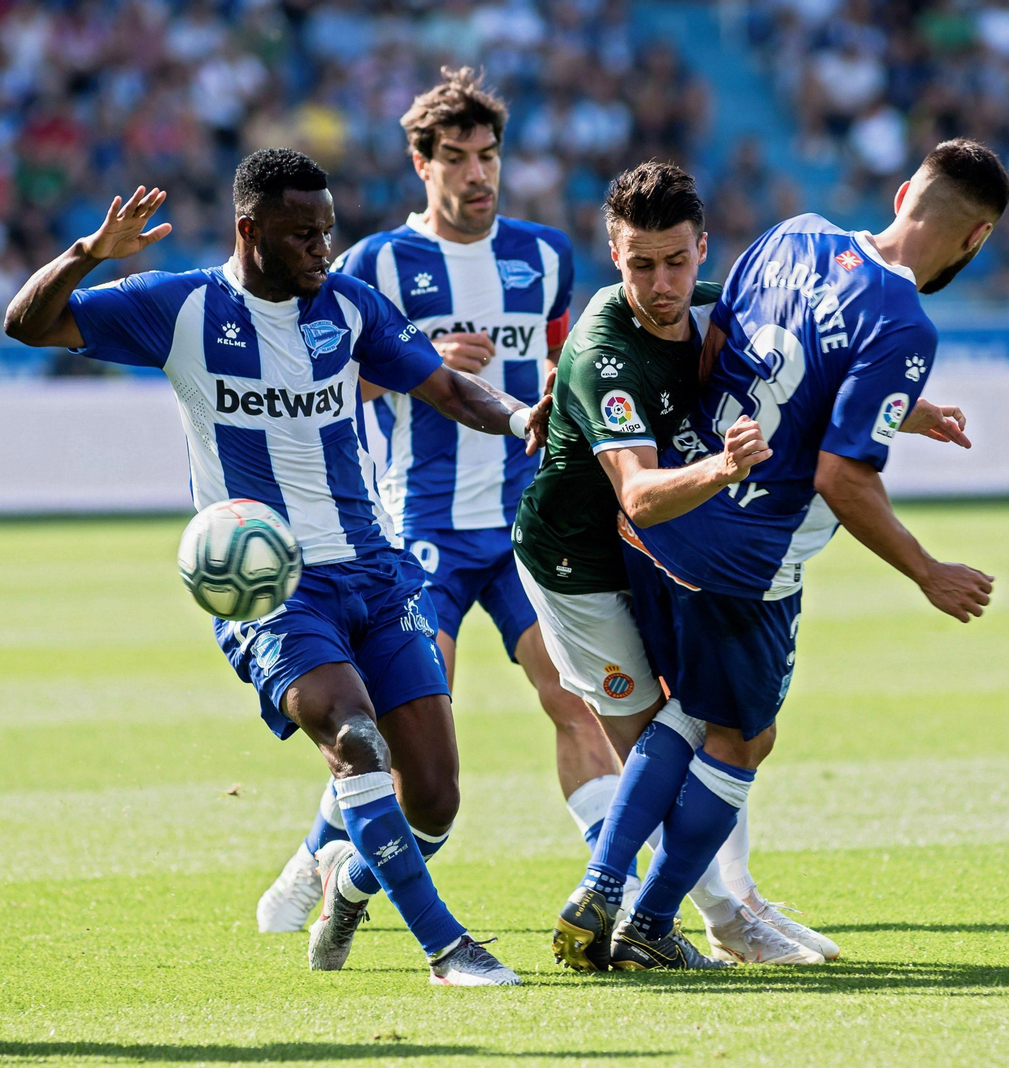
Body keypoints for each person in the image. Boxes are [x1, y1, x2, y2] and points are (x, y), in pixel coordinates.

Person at [2, 147, 544, 987]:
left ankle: (348, 881)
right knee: (354, 736)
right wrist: (87, 254)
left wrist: (519, 420)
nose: (322, 251)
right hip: (273, 586)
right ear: (250, 231)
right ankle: (447, 950)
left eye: (327, 232)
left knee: (435, 797)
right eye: (302, 236)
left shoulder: (349, 305)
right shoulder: (179, 307)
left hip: (375, 570)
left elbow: (448, 389)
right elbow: (28, 324)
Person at [555, 139, 1005, 971]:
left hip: (666, 522)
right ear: (977, 238)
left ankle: (610, 887)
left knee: (689, 712)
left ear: (902, 194)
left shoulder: (796, 233)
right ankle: (645, 914)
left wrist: (902, 410)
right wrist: (927, 570)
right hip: (749, 560)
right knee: (740, 739)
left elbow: (725, 351)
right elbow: (842, 478)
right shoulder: (902, 323)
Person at [252, 69, 624, 942]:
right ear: (422, 165)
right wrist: (417, 365)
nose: (476, 172)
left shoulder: (544, 255)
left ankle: (620, 882)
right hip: (420, 528)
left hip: (529, 524)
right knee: (409, 723)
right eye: (455, 157)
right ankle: (316, 861)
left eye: (487, 154)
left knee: (576, 699)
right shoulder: (373, 264)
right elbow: (322, 382)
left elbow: (560, 365)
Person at [524, 162, 831, 968]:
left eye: (676, 262)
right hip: (580, 569)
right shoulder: (604, 353)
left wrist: (907, 412)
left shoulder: (713, 308)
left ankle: (721, 907)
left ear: (702, 248)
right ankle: (702, 917)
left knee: (724, 721)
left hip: (665, 554)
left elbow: (805, 370)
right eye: (640, 265)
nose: (661, 285)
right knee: (659, 745)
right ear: (613, 255)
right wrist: (723, 470)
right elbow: (638, 495)